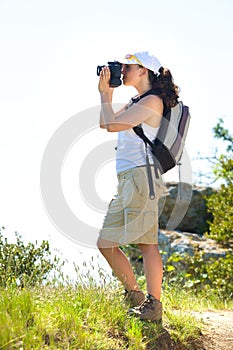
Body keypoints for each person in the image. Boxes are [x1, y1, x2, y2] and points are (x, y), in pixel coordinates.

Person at [97, 51, 179, 321]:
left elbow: (110, 125)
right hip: (129, 178)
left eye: (128, 66)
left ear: (144, 71)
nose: (123, 70)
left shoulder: (153, 101)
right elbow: (104, 121)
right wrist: (105, 94)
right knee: (105, 242)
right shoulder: (137, 100)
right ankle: (135, 295)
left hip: (142, 177)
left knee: (147, 243)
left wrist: (106, 96)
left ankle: (154, 305)